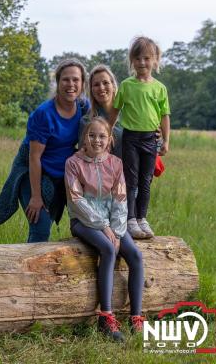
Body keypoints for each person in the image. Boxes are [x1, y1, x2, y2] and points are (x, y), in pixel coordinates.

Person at [65, 117, 144, 342]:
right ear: (85, 138)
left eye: (102, 136)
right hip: (83, 222)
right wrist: (104, 227)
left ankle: (136, 317)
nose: (96, 140)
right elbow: (76, 200)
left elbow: (120, 199)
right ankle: (106, 317)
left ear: (110, 140)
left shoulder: (116, 164)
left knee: (136, 256)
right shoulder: (73, 163)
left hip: (113, 225)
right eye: (92, 136)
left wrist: (117, 231)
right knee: (109, 250)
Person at [0, 59, 90, 242]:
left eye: (76, 80)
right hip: (34, 174)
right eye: (66, 80)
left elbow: (105, 126)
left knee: (80, 224)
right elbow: (34, 157)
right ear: (58, 82)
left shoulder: (84, 107)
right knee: (40, 229)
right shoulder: (44, 114)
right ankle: (28, 270)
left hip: (63, 176)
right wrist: (36, 197)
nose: (71, 84)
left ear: (82, 83)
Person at [110, 36, 170, 239]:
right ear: (132, 61)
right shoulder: (126, 86)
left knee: (146, 181)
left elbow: (164, 116)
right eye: (137, 58)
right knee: (131, 180)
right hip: (131, 139)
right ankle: (130, 219)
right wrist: (108, 131)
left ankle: (142, 218)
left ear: (155, 60)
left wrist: (166, 140)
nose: (142, 63)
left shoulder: (159, 88)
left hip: (150, 140)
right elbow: (115, 111)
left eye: (147, 58)